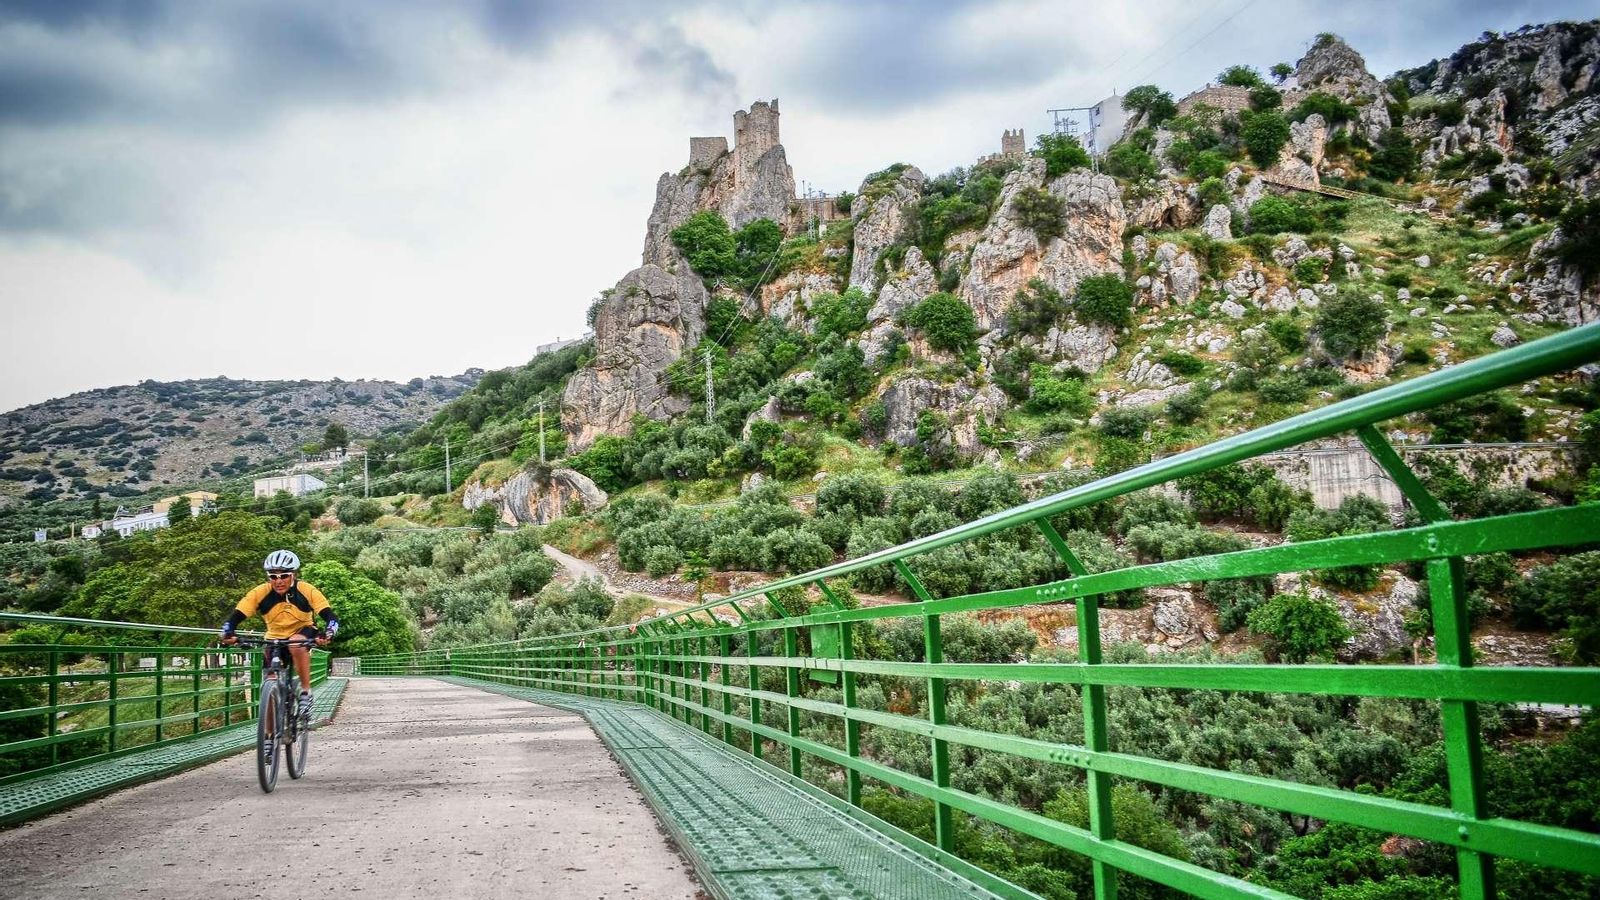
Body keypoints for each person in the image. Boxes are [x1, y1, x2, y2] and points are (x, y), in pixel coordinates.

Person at [220, 550, 339, 721]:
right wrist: (228, 630)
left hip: (302, 631)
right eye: (273, 576)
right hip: (274, 638)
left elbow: (330, 616)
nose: (278, 581)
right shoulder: (260, 592)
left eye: (284, 575)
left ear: (293, 575)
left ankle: (306, 692)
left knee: (295, 642)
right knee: (268, 688)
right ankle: (268, 740)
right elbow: (236, 615)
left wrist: (328, 632)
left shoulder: (306, 590)